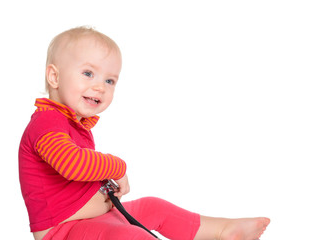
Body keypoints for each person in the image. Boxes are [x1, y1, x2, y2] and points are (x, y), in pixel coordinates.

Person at [19, 26, 270, 240]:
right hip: (64, 231)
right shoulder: (47, 121)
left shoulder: (72, 123)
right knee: (134, 236)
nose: (100, 86)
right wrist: (117, 167)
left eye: (110, 80)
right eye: (88, 73)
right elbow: (72, 164)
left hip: (94, 216)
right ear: (54, 76)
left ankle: (224, 230)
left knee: (154, 208)